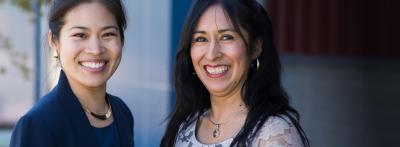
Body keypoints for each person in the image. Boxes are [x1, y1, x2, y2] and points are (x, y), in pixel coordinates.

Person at [161, 0, 310, 146]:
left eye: (226, 37)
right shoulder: (184, 127)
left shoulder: (274, 133)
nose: (212, 54)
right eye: (201, 39)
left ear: (255, 48)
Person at [10, 0, 134, 147]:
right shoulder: (38, 125)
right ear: (55, 42)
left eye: (108, 34)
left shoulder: (121, 112)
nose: (95, 49)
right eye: (80, 35)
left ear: (122, 39)